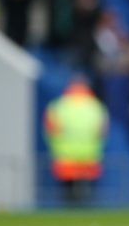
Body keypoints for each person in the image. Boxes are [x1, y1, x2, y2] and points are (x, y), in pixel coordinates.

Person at [44, 77, 108, 205]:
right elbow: (102, 131)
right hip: (90, 157)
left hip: (65, 157)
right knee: (88, 198)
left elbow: (50, 130)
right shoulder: (96, 106)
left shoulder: (58, 106)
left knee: (67, 199)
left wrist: (56, 149)